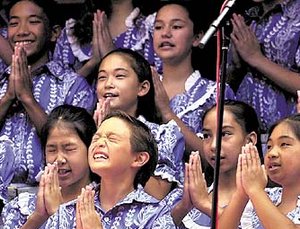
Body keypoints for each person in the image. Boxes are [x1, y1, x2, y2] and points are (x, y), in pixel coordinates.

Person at [21, 110, 176, 229]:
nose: (99, 143)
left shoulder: (155, 213)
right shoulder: (69, 211)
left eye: (112, 138)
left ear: (139, 158)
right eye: (96, 138)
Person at [0, 0, 96, 203]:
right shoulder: (1, 83)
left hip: (49, 204)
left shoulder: (74, 86)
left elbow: (74, 145)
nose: (22, 31)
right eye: (14, 23)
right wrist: (8, 97)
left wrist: (27, 99)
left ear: (54, 33)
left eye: (33, 22)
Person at [167, 100, 263, 229]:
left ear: (250, 139)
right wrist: (185, 206)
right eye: (206, 136)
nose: (213, 145)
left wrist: (205, 204)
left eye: (225, 134)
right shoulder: (191, 196)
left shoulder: (264, 202)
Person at [0, 104, 97, 229]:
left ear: (90, 148)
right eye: (51, 149)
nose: (59, 159)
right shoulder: (25, 206)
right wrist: (38, 217)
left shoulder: (104, 201)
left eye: (69, 148)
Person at [217, 113, 300, 229]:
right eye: (269, 146)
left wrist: (255, 190)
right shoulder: (264, 200)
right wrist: (241, 193)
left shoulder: (260, 196)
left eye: (284, 144)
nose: (271, 153)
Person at [94, 48, 185, 200]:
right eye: (102, 77)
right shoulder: (88, 131)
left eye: (119, 76)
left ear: (142, 88)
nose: (108, 84)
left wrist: (114, 142)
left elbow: (158, 193)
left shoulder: (161, 135)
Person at [152, 0, 236, 156]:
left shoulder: (214, 93)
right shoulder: (142, 88)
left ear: (197, 37)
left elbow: (217, 156)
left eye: (176, 26)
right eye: (158, 27)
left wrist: (167, 113)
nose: (165, 33)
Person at [226, 0, 300, 134]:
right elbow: (226, 85)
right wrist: (237, 66)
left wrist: (256, 58)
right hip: (245, 134)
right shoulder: (249, 15)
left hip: (288, 135)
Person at [53, 0, 162, 85]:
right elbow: (54, 94)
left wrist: (112, 57)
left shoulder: (155, 29)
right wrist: (91, 64)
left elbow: (164, 86)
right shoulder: (71, 34)